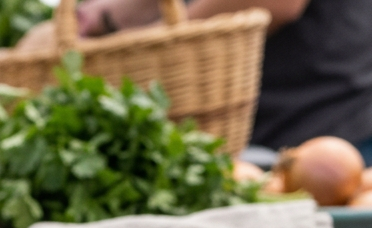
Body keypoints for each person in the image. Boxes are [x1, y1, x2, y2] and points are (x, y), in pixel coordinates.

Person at [74, 0, 372, 160]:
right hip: (257, 133)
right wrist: (96, 18)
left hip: (323, 124)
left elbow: (275, 2)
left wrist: (155, 39)